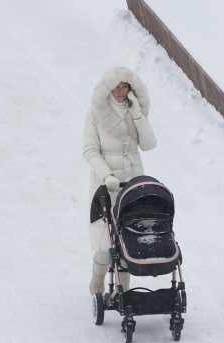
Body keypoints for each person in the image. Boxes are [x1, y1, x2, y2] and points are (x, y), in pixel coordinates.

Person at [84, 67, 157, 295]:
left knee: (129, 237)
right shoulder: (96, 113)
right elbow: (89, 150)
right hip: (105, 184)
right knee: (105, 240)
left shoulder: (134, 110)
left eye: (125, 86)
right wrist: (106, 175)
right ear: (108, 88)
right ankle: (97, 280)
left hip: (132, 182)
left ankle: (123, 291)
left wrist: (137, 115)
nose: (121, 91)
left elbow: (149, 144)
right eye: (117, 86)